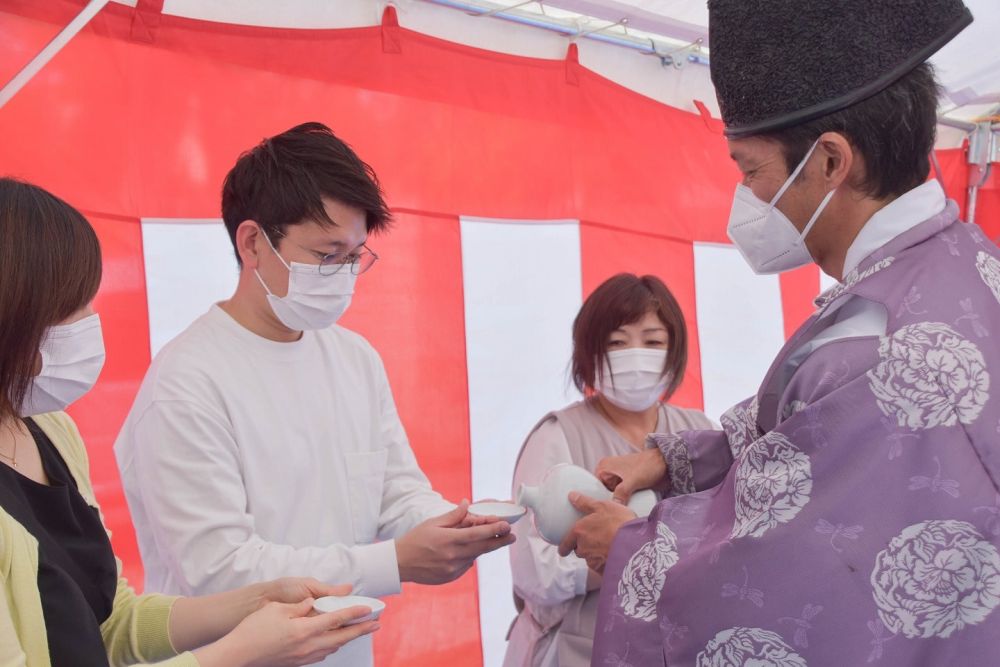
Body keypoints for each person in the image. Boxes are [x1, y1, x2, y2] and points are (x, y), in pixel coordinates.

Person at [559, 1, 1000, 664]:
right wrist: (674, 460)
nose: (747, 199)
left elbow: (786, 589)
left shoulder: (882, 347)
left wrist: (632, 551)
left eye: (749, 170)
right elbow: (805, 422)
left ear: (829, 161)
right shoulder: (962, 261)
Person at [114, 122, 514, 666]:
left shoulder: (354, 358)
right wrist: (394, 561)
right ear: (253, 243)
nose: (343, 274)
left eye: (354, 257)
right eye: (327, 254)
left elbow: (396, 492)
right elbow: (219, 570)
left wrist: (455, 525)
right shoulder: (187, 384)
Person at [0, 177, 378, 667]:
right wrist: (241, 650)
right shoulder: (187, 378)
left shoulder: (48, 429)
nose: (90, 320)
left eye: (354, 257)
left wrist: (258, 602)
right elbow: (212, 560)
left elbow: (111, 621)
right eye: (72, 307)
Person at [504, 273, 713, 666]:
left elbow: (727, 535)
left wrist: (630, 549)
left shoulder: (699, 431)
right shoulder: (557, 435)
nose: (636, 355)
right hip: (578, 650)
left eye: (653, 342)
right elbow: (534, 570)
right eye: (617, 343)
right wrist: (656, 558)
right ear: (589, 350)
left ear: (675, 350)